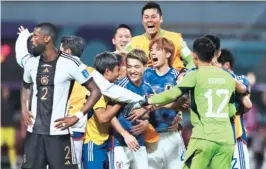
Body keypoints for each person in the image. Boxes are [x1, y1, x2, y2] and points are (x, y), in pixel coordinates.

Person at [132, 37, 237, 169]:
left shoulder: (195, 75)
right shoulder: (228, 77)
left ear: (194, 56)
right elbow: (232, 111)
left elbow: (172, 94)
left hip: (203, 138)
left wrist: (147, 101)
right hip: (226, 140)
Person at [16, 23, 102, 169]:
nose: (33, 40)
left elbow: (96, 91)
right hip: (34, 134)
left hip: (59, 134)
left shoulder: (71, 63)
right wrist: (24, 109)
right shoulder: (31, 62)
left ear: (47, 38)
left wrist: (77, 116)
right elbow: (25, 85)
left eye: (36, 36)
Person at [59, 35, 151, 169]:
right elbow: (103, 117)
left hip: (104, 141)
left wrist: (145, 114)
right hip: (92, 141)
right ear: (108, 71)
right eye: (117, 70)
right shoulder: (97, 88)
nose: (120, 74)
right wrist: (121, 102)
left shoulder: (95, 79)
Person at [143, 37, 186, 169]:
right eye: (151, 50)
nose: (153, 53)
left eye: (157, 49)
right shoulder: (145, 75)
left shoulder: (177, 76)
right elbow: (142, 103)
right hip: (150, 137)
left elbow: (184, 103)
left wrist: (179, 122)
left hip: (171, 135)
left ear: (167, 54)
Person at [108, 49, 153, 169]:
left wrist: (146, 123)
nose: (132, 71)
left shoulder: (147, 88)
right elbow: (109, 116)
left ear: (145, 67)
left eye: (137, 67)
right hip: (119, 144)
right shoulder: (119, 87)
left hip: (139, 144)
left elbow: (148, 111)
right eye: (129, 66)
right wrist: (125, 135)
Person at [125, 1, 194, 71]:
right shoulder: (133, 43)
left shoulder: (175, 39)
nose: (150, 20)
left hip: (175, 80)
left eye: (153, 17)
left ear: (161, 19)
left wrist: (183, 74)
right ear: (142, 21)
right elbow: (122, 65)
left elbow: (192, 61)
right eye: (146, 17)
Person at [217, 49, 252, 169]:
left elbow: (247, 105)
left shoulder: (242, 80)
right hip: (217, 137)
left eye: (217, 64)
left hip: (236, 137)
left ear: (226, 65)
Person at [1, 86, 18, 169]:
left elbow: (15, 116)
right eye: (4, 91)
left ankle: (13, 164)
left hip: (10, 128)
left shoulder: (12, 103)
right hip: (1, 128)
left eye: (7, 91)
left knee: (11, 147)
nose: (5, 93)